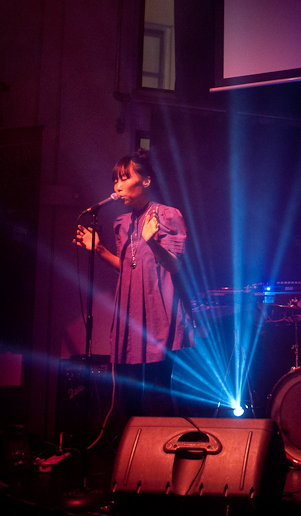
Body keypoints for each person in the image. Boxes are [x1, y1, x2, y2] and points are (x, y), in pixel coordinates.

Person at [74, 149, 193, 426]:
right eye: (115, 180)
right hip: (130, 315)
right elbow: (128, 267)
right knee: (129, 397)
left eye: (125, 178)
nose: (117, 186)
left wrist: (152, 241)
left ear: (146, 181)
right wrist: (100, 250)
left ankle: (163, 449)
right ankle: (133, 448)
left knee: (158, 393)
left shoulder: (167, 215)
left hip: (159, 314)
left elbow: (175, 266)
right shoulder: (122, 223)